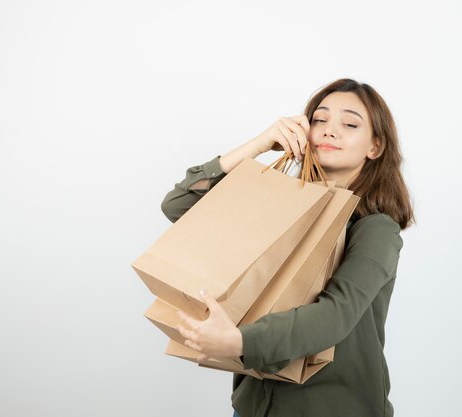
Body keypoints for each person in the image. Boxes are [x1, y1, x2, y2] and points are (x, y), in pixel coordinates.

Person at [161, 78, 415, 417]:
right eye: (319, 120)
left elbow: (335, 315)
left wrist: (238, 342)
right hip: (255, 407)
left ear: (375, 147)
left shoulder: (376, 229)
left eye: (350, 124)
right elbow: (179, 205)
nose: (329, 130)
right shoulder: (281, 210)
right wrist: (260, 143)